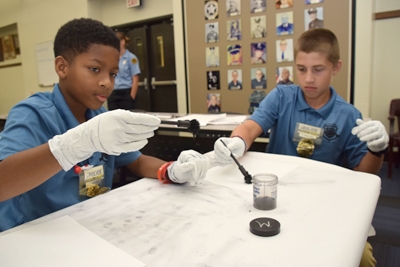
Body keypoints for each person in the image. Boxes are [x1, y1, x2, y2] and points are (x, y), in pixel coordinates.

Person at [0, 18, 210, 232]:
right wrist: (71, 146)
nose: (107, 83)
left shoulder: (100, 115)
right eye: (94, 69)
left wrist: (170, 170)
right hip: (38, 234)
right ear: (62, 67)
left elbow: (135, 160)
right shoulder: (32, 114)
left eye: (112, 74)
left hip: (91, 222)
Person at [214, 28, 387, 267]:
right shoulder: (282, 97)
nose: (308, 79)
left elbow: (365, 173)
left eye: (318, 70)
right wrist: (237, 142)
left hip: (323, 202)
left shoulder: (348, 115)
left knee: (362, 259)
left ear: (336, 67)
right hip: (276, 196)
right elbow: (251, 126)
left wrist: (377, 150)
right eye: (301, 69)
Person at [107, 31, 139, 111]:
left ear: (122, 42)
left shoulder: (131, 58)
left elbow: (135, 80)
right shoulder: (111, 58)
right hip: (113, 93)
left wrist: (131, 97)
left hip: (126, 93)